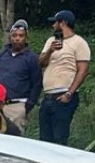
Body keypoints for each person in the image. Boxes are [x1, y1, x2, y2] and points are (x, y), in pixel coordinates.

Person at [38, 10, 90, 146]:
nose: (53, 25)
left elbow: (83, 70)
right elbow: (41, 63)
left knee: (59, 137)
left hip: (64, 95)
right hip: (48, 96)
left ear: (63, 23)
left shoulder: (79, 42)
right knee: (44, 139)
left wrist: (69, 93)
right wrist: (50, 50)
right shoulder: (51, 41)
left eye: (55, 22)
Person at [0, 19, 41, 133]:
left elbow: (37, 84)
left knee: (13, 138)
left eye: (21, 36)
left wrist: (28, 106)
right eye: (14, 35)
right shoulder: (2, 54)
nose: (17, 38)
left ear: (26, 38)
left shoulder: (32, 58)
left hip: (17, 106)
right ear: (10, 37)